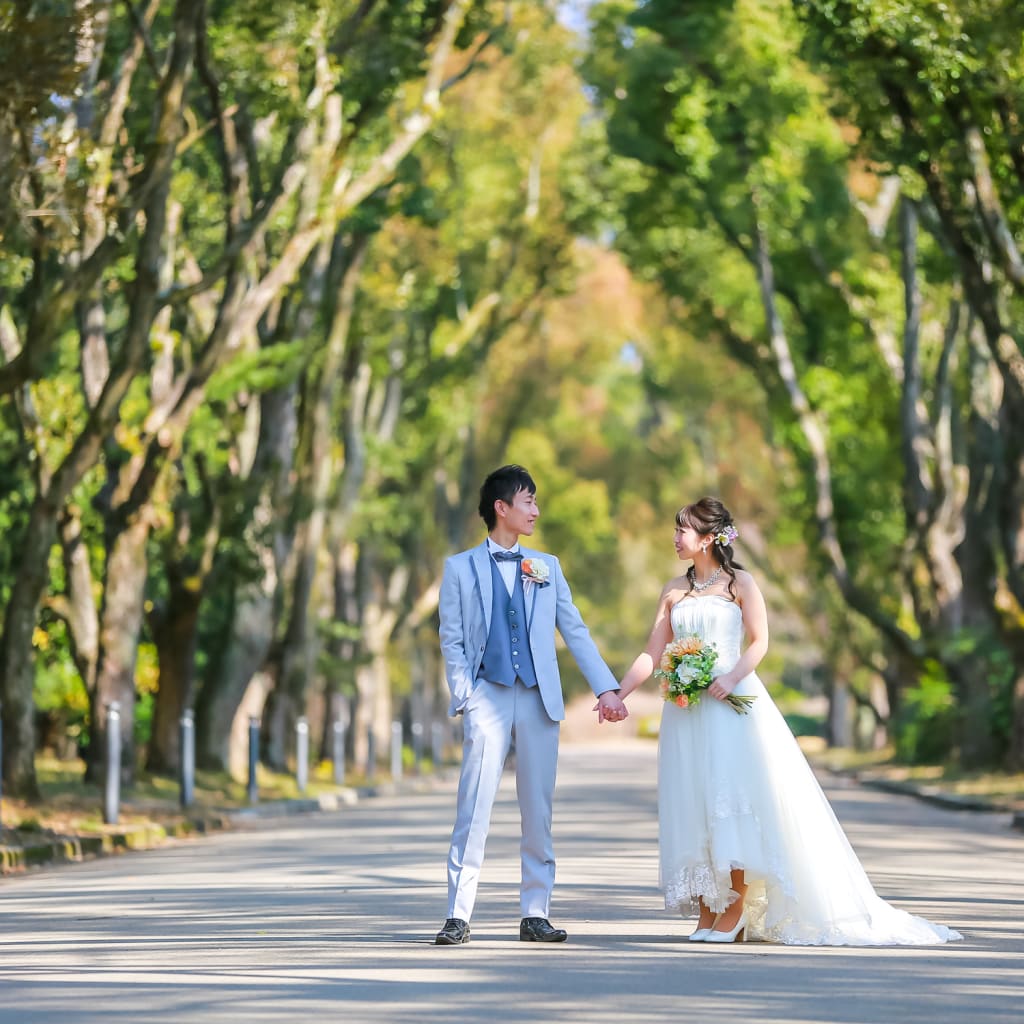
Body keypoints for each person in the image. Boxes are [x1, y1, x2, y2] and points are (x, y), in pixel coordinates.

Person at [613, 496, 962, 945]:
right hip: (686, 710)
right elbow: (652, 652)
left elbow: (759, 641)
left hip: (730, 702)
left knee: (729, 799)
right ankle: (707, 911)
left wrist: (730, 677)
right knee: (693, 802)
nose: (675, 537)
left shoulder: (741, 584)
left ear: (709, 538)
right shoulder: (673, 590)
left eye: (683, 530)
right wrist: (617, 694)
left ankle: (735, 910)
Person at [434, 465, 628, 946]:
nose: (536, 510)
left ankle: (535, 912)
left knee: (537, 810)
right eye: (528, 502)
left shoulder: (548, 566)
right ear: (501, 508)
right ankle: (458, 915)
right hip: (488, 695)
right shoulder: (459, 568)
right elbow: (452, 639)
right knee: (473, 806)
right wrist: (466, 696)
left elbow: (575, 631)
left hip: (541, 699)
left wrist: (607, 688)